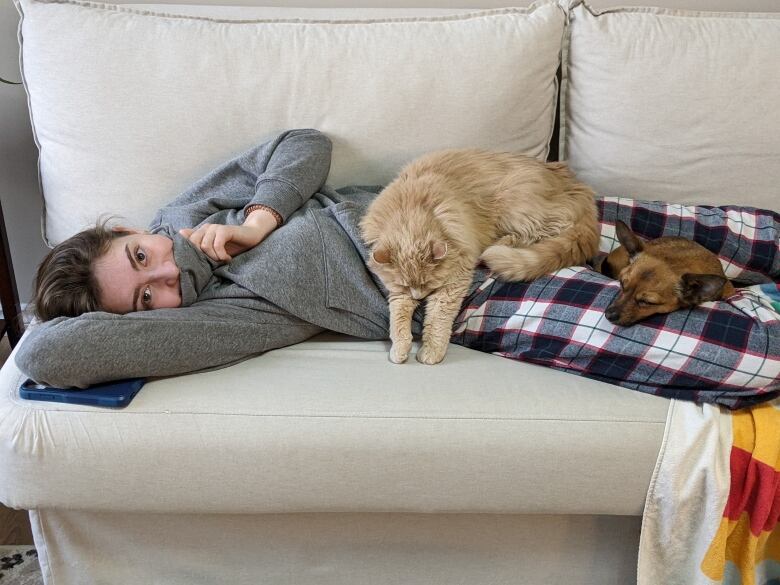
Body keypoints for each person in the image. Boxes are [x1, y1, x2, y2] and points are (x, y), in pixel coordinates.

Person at [15, 129, 780, 409]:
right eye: (147, 299)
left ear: (129, 229)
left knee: (748, 232)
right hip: (478, 296)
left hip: (474, 207)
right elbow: (47, 354)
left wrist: (254, 221)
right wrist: (135, 303)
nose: (168, 278)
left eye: (142, 257)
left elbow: (300, 144)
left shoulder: (186, 211)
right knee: (741, 355)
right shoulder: (222, 318)